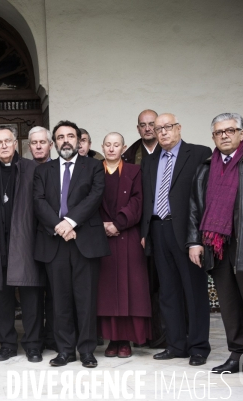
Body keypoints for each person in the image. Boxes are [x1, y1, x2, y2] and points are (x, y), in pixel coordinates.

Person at [188, 113, 243, 378]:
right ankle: (237, 354)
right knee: (230, 304)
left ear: (241, 134)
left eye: (230, 130)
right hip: (217, 244)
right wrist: (194, 242)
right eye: (218, 132)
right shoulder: (205, 167)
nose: (224, 135)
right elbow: (195, 209)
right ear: (213, 137)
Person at [33, 120, 110, 368]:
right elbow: (39, 201)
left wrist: (70, 222)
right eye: (60, 137)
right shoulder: (43, 170)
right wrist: (59, 226)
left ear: (78, 140)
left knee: (86, 299)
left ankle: (87, 350)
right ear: (54, 142)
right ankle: (65, 350)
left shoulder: (94, 167)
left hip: (84, 240)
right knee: (60, 300)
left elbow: (94, 197)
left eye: (70, 136)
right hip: (54, 242)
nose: (65, 140)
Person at [140, 113, 212, 366]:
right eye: (158, 129)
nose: (162, 132)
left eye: (167, 127)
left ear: (179, 128)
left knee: (193, 291)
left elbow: (206, 197)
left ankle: (199, 347)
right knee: (168, 291)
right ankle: (176, 344)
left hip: (187, 232)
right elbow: (147, 198)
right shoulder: (149, 161)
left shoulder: (200, 153)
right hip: (158, 230)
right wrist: (144, 233)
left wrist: (199, 238)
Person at [0, 125, 45, 363]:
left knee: (30, 296)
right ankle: (7, 344)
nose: (4, 146)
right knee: (1, 297)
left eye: (8, 141)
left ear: (16, 144)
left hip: (26, 242)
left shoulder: (33, 169)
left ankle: (33, 344)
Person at [96, 132, 152, 358]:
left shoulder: (134, 171)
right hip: (100, 236)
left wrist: (118, 223)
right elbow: (87, 199)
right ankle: (112, 340)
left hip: (127, 235)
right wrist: (101, 225)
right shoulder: (93, 170)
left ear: (124, 148)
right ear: (102, 147)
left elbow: (139, 201)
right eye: (107, 145)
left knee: (131, 289)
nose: (111, 149)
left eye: (116, 145)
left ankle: (127, 340)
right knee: (106, 291)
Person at [121, 109, 164, 348]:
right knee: (144, 285)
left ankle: (168, 334)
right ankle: (147, 335)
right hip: (138, 229)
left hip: (164, 224)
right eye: (143, 125)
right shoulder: (129, 155)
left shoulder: (169, 152)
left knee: (165, 284)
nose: (148, 128)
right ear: (138, 129)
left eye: (151, 124)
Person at [27, 126, 57, 351]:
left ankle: (54, 338)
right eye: (34, 143)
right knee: (33, 294)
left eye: (42, 142)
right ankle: (34, 340)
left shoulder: (60, 169)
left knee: (56, 293)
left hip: (57, 237)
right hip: (28, 240)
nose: (38, 146)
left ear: (51, 145)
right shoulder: (23, 170)